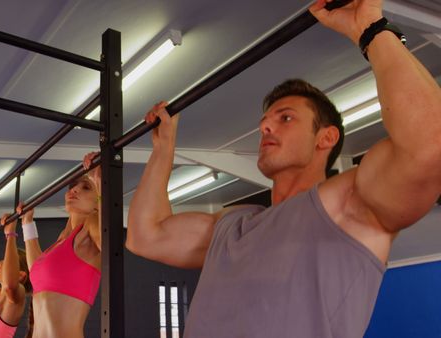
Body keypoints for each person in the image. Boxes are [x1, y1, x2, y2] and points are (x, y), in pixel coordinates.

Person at [126, 0, 441, 337]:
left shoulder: (346, 206)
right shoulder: (232, 224)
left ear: (326, 138)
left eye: (285, 118)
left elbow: (429, 146)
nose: (265, 128)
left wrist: (370, 30)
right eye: (265, 121)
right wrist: (163, 149)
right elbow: (145, 236)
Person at [19, 153, 102, 338]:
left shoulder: (91, 225)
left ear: (98, 203)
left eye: (86, 188)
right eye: (72, 187)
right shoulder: (61, 241)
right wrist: (27, 223)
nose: (74, 190)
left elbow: (109, 244)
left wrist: (100, 181)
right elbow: (35, 272)